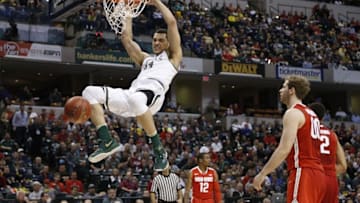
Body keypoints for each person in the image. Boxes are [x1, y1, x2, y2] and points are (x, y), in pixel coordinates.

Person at [81, 0, 182, 171]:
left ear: (168, 43)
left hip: (153, 96)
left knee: (136, 99)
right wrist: (128, 11)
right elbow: (126, 39)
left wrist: (156, 2)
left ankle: (159, 151)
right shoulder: (146, 59)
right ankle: (107, 141)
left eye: (160, 41)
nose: (156, 43)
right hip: (132, 95)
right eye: (154, 40)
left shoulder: (173, 58)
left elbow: (171, 23)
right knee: (89, 92)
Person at [253, 75, 326, 202]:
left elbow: (284, 149)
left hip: (304, 171)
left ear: (291, 90)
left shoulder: (293, 113)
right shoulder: (311, 114)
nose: (280, 90)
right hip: (318, 174)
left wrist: (263, 173)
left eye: (284, 87)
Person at [308, 102, 347, 203]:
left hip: (311, 178)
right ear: (323, 117)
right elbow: (343, 166)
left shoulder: (304, 132)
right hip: (330, 180)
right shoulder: (332, 135)